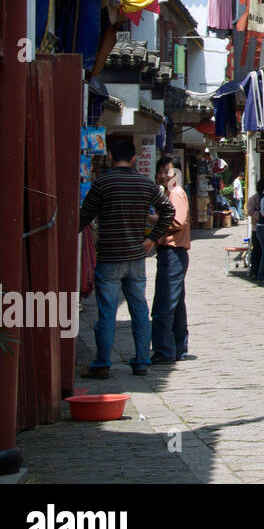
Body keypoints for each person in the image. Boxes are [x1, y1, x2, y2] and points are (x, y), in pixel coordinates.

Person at [79, 138, 175, 378]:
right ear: (133, 158)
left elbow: (83, 216)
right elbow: (168, 210)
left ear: (111, 156)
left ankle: (102, 364)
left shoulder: (102, 183)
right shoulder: (144, 183)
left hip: (110, 256)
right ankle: (142, 361)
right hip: (136, 257)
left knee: (107, 312)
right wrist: (152, 238)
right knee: (140, 310)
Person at [150, 157, 192, 363]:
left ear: (177, 174)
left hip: (173, 252)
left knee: (164, 303)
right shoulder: (168, 193)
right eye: (161, 172)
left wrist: (151, 219)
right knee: (176, 304)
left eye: (168, 172)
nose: (163, 176)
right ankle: (177, 348)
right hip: (172, 253)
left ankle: (164, 351)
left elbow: (177, 221)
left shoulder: (176, 193)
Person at [246, 181, 263, 278]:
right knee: (256, 250)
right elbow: (249, 211)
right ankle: (254, 272)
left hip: (259, 227)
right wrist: (259, 216)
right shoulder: (254, 198)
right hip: (256, 228)